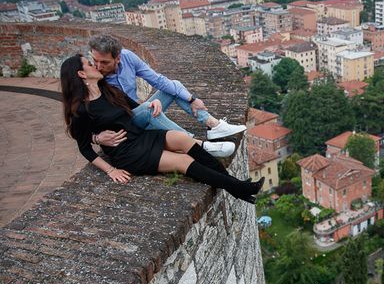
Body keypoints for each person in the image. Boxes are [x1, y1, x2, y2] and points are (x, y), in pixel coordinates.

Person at [61, 54, 263, 204]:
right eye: (89, 64)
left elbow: (136, 109)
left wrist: (153, 105)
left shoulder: (109, 90)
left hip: (141, 137)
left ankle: (235, 185)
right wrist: (110, 169)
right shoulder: (81, 108)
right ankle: (240, 188)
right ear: (81, 74)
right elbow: (83, 147)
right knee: (184, 161)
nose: (95, 65)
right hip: (128, 153)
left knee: (183, 139)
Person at [88, 34, 246, 148]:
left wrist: (192, 99)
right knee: (148, 108)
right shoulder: (93, 77)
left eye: (104, 62)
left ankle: (214, 125)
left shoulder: (128, 57)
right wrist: (96, 138)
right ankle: (193, 144)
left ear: (118, 58)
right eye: (95, 61)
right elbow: (83, 118)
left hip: (137, 111)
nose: (98, 66)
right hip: (125, 125)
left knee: (173, 86)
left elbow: (157, 80)